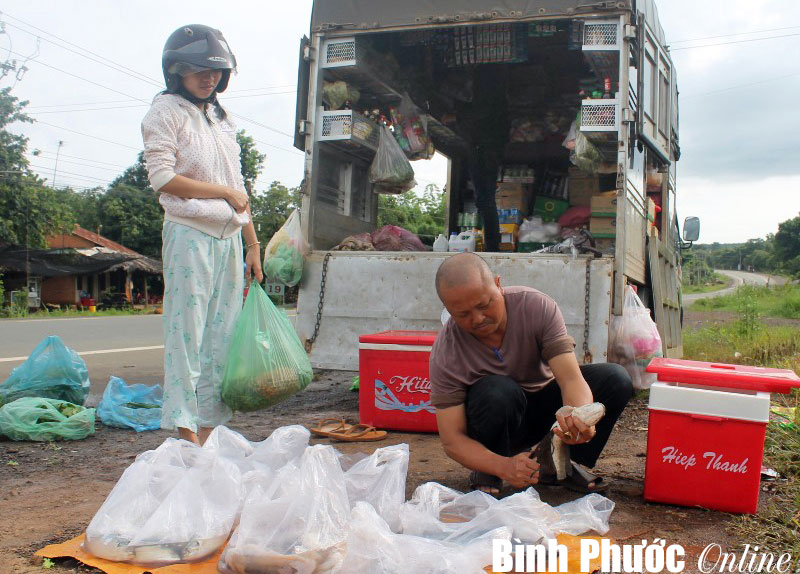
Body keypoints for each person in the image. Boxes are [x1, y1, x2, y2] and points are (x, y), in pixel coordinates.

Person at [142, 24, 263, 446]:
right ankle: (184, 430)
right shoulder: (165, 112)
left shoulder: (221, 118)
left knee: (221, 339)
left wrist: (251, 244)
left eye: (216, 72)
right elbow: (163, 178)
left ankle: (210, 433)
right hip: (190, 233)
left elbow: (238, 183)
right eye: (198, 70)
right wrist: (224, 194)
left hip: (229, 240)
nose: (209, 78)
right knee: (186, 336)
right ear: (176, 71)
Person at [429, 253, 633, 495]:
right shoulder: (446, 350)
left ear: (498, 284)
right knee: (497, 391)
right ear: (448, 310)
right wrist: (502, 465)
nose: (478, 319)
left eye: (484, 305)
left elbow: (570, 378)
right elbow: (452, 440)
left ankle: (559, 463)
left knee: (615, 378)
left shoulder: (536, 307)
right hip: (497, 416)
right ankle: (489, 469)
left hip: (543, 406)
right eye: (462, 314)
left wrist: (577, 418)